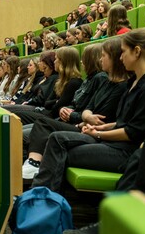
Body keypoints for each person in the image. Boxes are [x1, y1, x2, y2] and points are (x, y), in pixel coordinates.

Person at [30, 29, 145, 192]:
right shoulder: (134, 82)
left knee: (59, 150)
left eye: (124, 52)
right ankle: (41, 197)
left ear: (137, 52)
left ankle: (41, 198)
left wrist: (97, 133)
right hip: (113, 143)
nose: (120, 57)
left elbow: (132, 132)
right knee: (56, 139)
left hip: (126, 152)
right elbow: (121, 122)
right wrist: (98, 128)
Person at [23, 39, 129, 179]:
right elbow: (88, 108)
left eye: (103, 55)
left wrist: (80, 119)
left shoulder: (109, 82)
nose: (100, 59)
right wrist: (83, 115)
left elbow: (101, 118)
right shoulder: (106, 81)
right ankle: (31, 169)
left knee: (44, 128)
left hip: (88, 129)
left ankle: (34, 168)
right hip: (81, 123)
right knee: (31, 128)